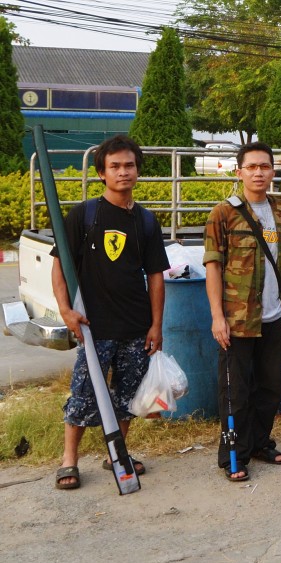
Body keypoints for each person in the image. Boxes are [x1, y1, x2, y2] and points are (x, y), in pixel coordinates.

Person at [52, 134, 170, 490]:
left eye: (129, 165)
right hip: (93, 327)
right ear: (102, 173)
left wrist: (156, 325)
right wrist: (65, 310)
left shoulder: (147, 222)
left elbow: (156, 278)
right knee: (83, 393)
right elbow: (60, 266)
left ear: (138, 170)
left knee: (129, 396)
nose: (123, 172)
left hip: (136, 326)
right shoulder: (84, 214)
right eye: (115, 166)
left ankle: (116, 453)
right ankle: (68, 461)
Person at [204, 142, 281, 481]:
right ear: (239, 172)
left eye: (265, 166)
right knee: (234, 392)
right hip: (236, 321)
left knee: (271, 387)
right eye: (251, 167)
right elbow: (213, 266)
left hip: (275, 317)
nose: (259, 172)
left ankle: (261, 443)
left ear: (273, 171)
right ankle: (233, 455)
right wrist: (217, 317)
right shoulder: (223, 213)